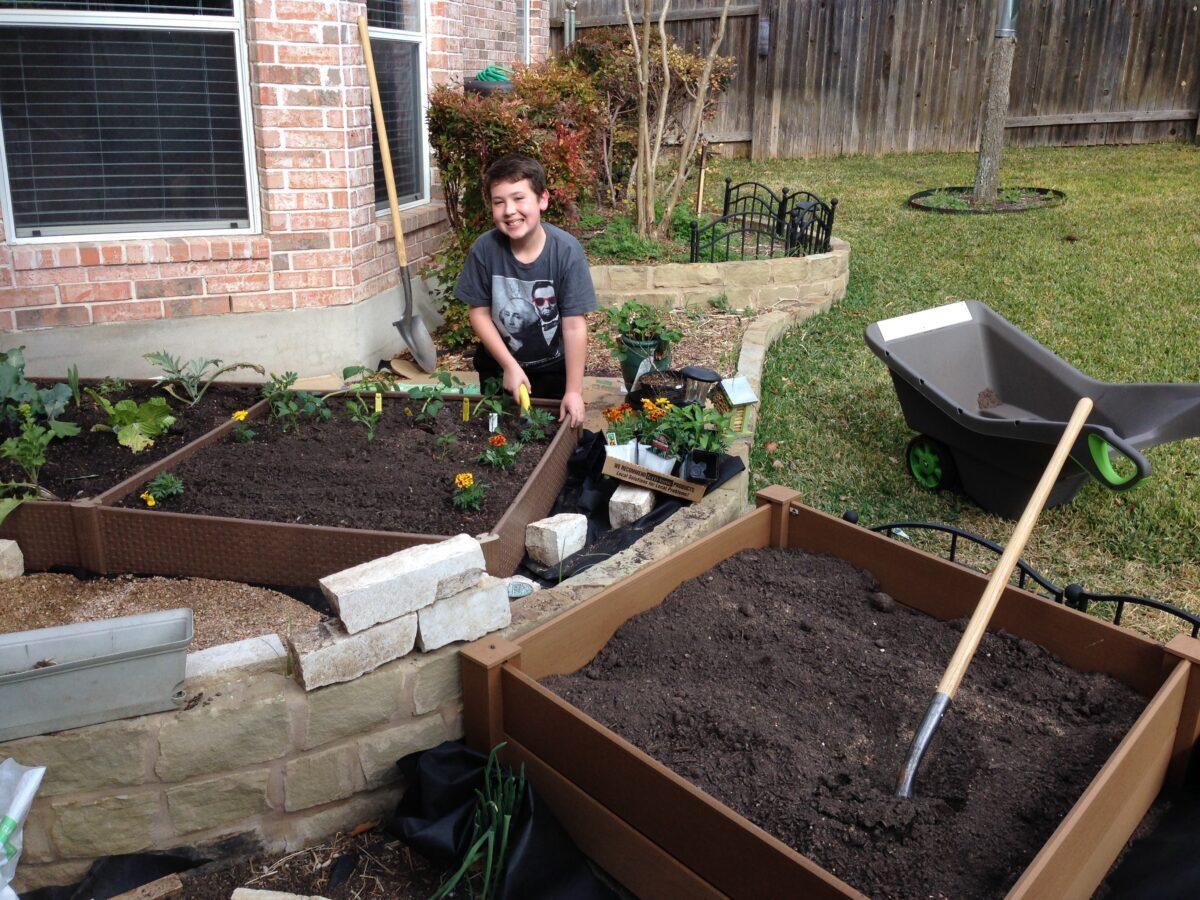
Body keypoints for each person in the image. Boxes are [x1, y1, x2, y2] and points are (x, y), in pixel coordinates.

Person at [456, 155, 595, 427]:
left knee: (547, 438)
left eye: (519, 198)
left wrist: (574, 391)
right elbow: (479, 313)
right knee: (498, 436)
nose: (509, 210)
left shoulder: (566, 252)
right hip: (497, 366)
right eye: (499, 202)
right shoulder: (485, 250)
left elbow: (574, 326)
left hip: (552, 370)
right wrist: (508, 365)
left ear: (542, 200)